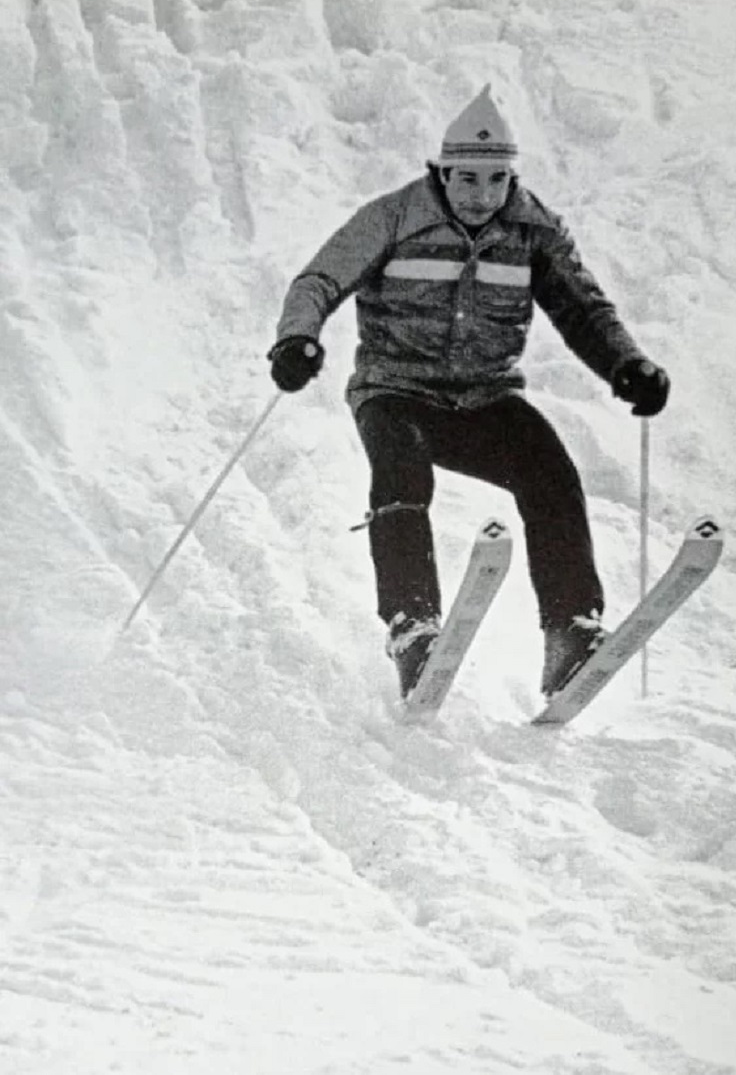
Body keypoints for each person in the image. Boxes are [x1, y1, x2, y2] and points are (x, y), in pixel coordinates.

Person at [268, 84, 669, 699]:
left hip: (485, 399)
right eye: (467, 180)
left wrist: (627, 366)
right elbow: (319, 280)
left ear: (510, 178)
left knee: (551, 472)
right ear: (443, 171)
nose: (482, 195)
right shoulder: (393, 217)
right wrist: (297, 341)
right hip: (396, 391)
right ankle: (413, 627)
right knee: (401, 478)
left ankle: (570, 631)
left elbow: (584, 310)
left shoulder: (533, 230)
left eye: (496, 180)